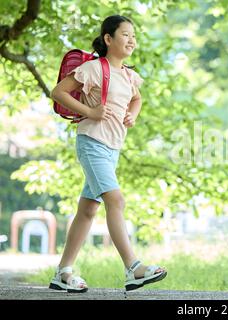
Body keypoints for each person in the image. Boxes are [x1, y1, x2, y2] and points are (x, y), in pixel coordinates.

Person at [49, 15, 167, 293]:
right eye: (125, 35)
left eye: (133, 36)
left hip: (112, 148)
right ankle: (133, 268)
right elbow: (58, 92)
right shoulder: (93, 69)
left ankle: (63, 272)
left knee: (88, 210)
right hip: (92, 143)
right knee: (116, 200)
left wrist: (132, 116)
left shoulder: (127, 74)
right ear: (108, 39)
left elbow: (137, 98)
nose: (131, 40)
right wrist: (90, 112)